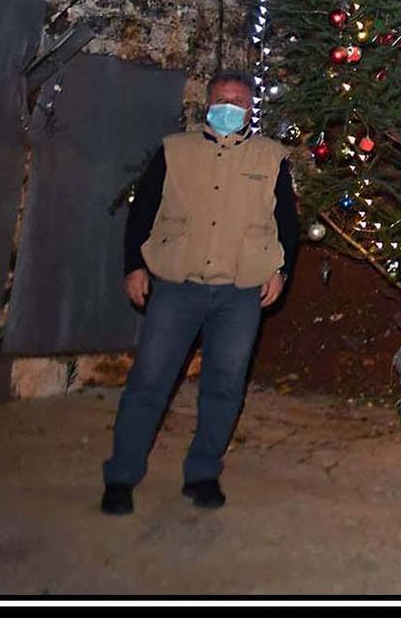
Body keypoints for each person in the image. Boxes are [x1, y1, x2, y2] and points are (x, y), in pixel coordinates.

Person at [101, 71, 299, 515]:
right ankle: (121, 476)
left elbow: (287, 222)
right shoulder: (175, 151)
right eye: (222, 99)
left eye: (239, 102)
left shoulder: (271, 158)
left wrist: (281, 271)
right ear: (208, 105)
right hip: (177, 288)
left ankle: (203, 473)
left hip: (239, 293)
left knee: (224, 386)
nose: (230, 108)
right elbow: (142, 211)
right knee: (149, 381)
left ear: (250, 110)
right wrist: (134, 266)